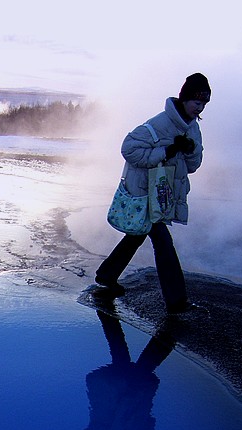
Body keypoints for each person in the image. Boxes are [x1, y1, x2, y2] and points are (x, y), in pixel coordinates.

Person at [95, 73, 211, 314]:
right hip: (145, 192)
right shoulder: (159, 123)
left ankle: (106, 276)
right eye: (197, 103)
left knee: (137, 234)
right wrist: (166, 150)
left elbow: (192, 166)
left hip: (160, 194)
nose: (199, 109)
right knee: (162, 242)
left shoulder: (193, 128)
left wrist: (188, 150)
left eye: (203, 105)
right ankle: (177, 301)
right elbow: (129, 149)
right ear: (185, 98)